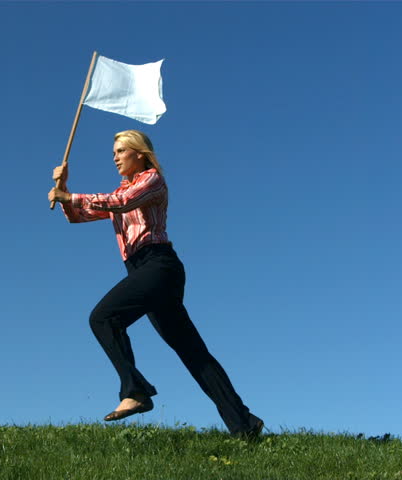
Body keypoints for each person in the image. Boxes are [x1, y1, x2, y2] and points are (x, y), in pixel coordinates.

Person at [48, 130, 263, 437]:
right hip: (142, 271)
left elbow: (121, 202)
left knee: (103, 318)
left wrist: (69, 196)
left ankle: (135, 391)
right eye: (114, 152)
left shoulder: (152, 181)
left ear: (139, 153)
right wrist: (64, 190)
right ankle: (245, 424)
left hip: (159, 267)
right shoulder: (121, 190)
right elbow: (78, 217)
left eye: (121, 151)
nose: (115, 157)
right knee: (193, 352)